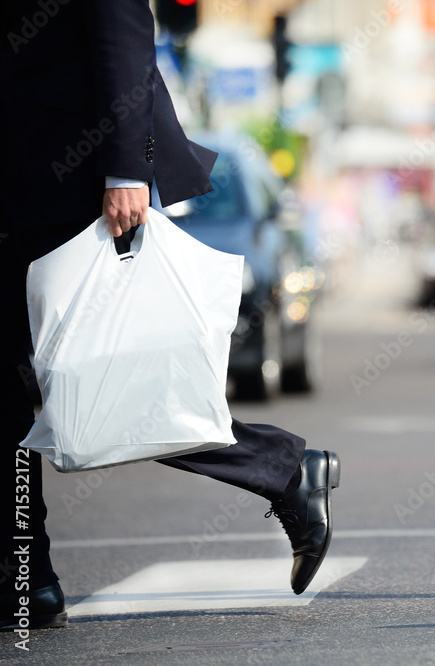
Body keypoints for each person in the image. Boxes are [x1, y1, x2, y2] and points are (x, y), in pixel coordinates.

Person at [0, 0, 340, 630]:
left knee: (100, 383)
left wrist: (125, 167)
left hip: (66, 175)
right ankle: (27, 583)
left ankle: (283, 468)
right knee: (19, 393)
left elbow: (122, 33)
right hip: (14, 176)